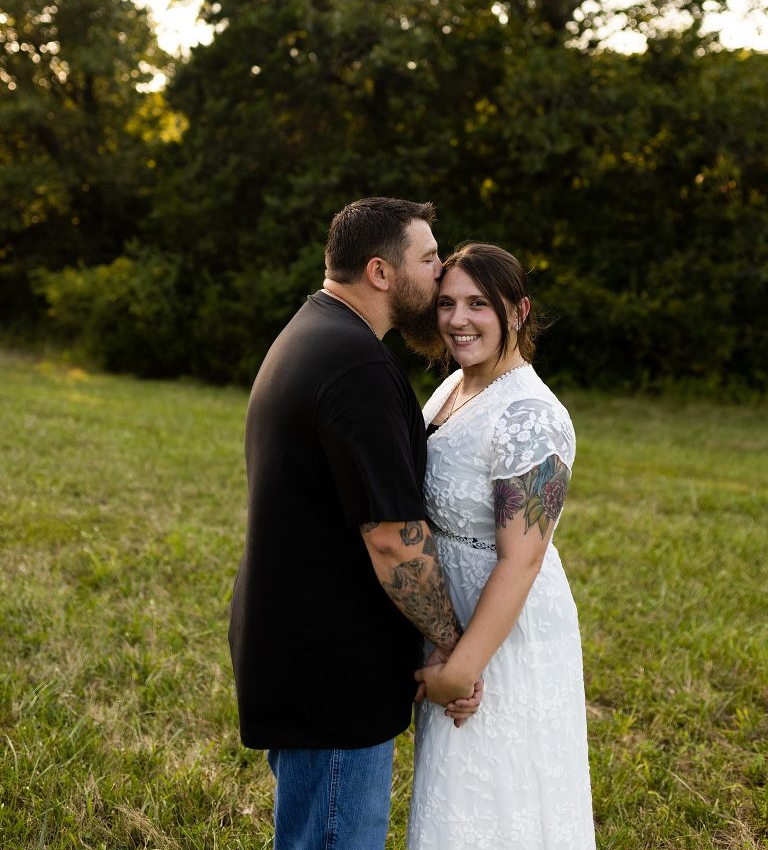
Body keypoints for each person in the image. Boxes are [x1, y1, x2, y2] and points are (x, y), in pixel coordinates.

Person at [228, 197, 480, 850]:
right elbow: (395, 538)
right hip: (332, 669)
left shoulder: (311, 332)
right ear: (380, 270)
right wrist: (451, 643)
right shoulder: (358, 366)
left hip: (299, 646)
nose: (440, 273)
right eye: (428, 259)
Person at [408, 243, 596, 850]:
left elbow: (524, 557)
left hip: (506, 629)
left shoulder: (530, 415)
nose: (458, 319)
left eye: (478, 304)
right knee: (454, 797)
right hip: (453, 615)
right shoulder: (451, 391)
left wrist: (463, 666)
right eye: (447, 304)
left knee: (501, 799)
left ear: (518, 311)